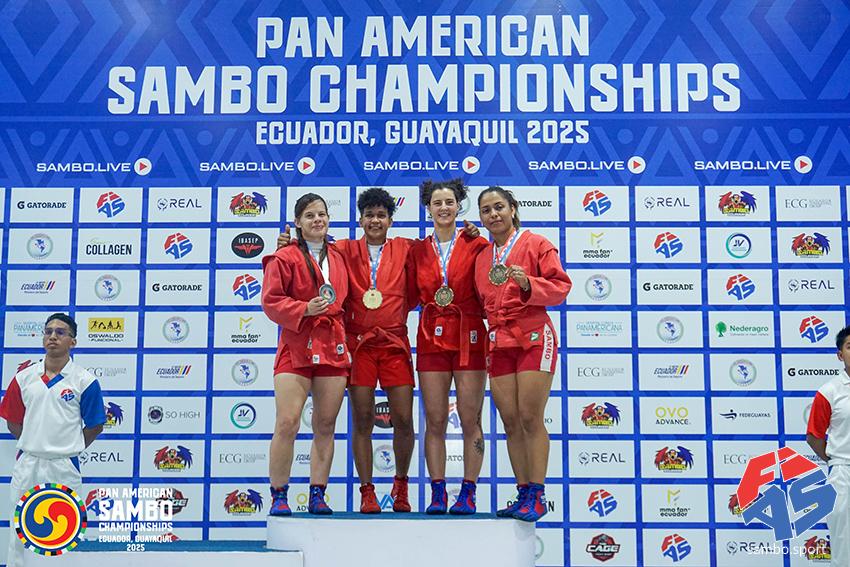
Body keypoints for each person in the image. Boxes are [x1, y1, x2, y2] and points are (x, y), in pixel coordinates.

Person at [280, 188, 416, 513]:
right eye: (369, 215)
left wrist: (469, 234)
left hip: (394, 343)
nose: (375, 221)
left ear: (390, 220)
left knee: (404, 418)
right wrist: (288, 244)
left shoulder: (407, 247)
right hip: (358, 345)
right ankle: (367, 491)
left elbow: (438, 250)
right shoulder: (342, 249)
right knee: (363, 419)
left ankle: (401, 486)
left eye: (381, 215)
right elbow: (311, 249)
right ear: (360, 220)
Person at [474, 186, 571, 522]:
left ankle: (538, 495)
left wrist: (529, 284)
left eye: (499, 207)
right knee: (511, 421)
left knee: (530, 417)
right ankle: (524, 492)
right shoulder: (483, 257)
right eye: (486, 210)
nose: (493, 214)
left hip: (533, 336)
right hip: (499, 341)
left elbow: (560, 287)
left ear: (513, 209)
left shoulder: (537, 243)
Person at [262, 193, 351, 515]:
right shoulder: (284, 256)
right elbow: (271, 300)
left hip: (332, 344)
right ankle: (279, 494)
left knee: (325, 424)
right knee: (287, 422)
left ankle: (318, 493)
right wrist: (303, 308)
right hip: (296, 344)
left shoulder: (340, 255)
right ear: (297, 222)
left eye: (322, 214)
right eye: (310, 215)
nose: (317, 220)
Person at [407, 178, 489, 514]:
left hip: (469, 335)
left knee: (471, 418)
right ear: (428, 209)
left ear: (459, 206)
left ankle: (468, 492)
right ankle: (438, 492)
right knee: (435, 419)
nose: (443, 208)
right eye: (437, 203)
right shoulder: (416, 250)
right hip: (431, 337)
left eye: (449, 202)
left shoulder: (477, 244)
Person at [0, 313, 106, 567]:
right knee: (20, 530)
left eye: (60, 332)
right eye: (48, 331)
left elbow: (95, 425)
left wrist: (68, 447)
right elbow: (13, 421)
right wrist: (35, 441)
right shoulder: (24, 377)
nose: (53, 337)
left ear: (73, 341)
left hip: (64, 466)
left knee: (64, 533)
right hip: (28, 463)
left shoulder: (85, 381)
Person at [807, 325, 850, 566]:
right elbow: (814, 436)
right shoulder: (829, 392)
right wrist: (835, 460)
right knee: (844, 543)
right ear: (840, 355)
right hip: (843, 473)